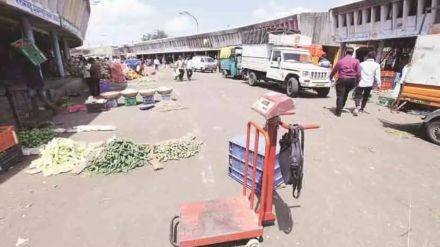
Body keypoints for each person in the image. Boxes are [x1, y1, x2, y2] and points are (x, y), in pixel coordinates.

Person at [329, 47, 361, 117]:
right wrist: (358, 81)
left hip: (342, 79)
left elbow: (334, 70)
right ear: (352, 53)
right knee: (345, 94)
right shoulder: (356, 61)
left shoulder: (341, 61)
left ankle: (338, 112)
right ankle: (341, 107)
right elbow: (358, 73)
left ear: (345, 53)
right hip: (351, 80)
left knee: (340, 95)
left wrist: (330, 77)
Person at [353, 51, 381, 116]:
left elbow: (358, 73)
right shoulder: (377, 65)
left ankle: (357, 106)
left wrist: (355, 81)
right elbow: (377, 75)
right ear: (374, 57)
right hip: (369, 83)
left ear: (367, 56)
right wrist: (379, 84)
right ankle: (362, 108)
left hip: (361, 82)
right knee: (366, 96)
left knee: (357, 95)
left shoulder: (362, 64)